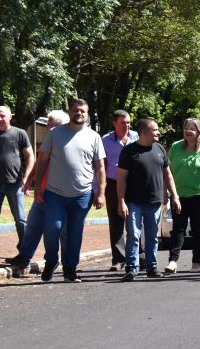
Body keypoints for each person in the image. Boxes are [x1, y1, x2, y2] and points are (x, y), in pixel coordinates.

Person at [35, 99, 106, 283]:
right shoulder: (55, 134)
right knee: (53, 228)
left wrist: (101, 193)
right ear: (70, 112)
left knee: (75, 234)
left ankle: (70, 269)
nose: (79, 114)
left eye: (82, 111)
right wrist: (37, 188)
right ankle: (51, 261)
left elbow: (100, 168)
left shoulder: (94, 137)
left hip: (82, 195)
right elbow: (42, 161)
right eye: (75, 110)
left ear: (87, 114)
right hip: (54, 193)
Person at [118, 119, 181, 281]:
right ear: (144, 132)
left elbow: (168, 175)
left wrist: (174, 195)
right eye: (155, 130)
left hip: (154, 203)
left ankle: (151, 266)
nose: (158, 132)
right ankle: (132, 268)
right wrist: (121, 201)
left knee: (152, 237)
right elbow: (121, 178)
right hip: (133, 202)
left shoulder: (160, 149)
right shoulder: (129, 151)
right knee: (133, 235)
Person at [10, 110, 70, 273]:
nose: (47, 126)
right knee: (34, 225)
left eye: (49, 123)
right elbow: (40, 160)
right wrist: (30, 180)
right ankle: (24, 257)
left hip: (59, 194)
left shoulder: (66, 141)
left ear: (57, 125)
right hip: (43, 191)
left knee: (61, 229)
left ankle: (66, 263)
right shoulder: (50, 139)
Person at [0, 106, 35, 259]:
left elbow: (30, 156)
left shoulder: (20, 133)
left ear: (10, 116)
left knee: (20, 219)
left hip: (15, 184)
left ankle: (24, 249)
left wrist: (26, 178)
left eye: (3, 116)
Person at [165, 118, 200, 273]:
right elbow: (168, 171)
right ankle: (173, 261)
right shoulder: (176, 146)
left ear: (199, 131)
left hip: (199, 194)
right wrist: (169, 193)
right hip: (179, 195)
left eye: (192, 128)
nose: (188, 131)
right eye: (186, 127)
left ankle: (196, 261)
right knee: (178, 229)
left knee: (198, 229)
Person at [101, 110, 139, 271]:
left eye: (129, 122)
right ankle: (118, 258)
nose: (127, 125)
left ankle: (141, 256)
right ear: (115, 123)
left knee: (138, 219)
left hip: (135, 183)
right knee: (116, 222)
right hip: (113, 183)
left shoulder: (136, 136)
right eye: (124, 123)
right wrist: (100, 189)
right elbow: (101, 165)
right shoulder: (105, 140)